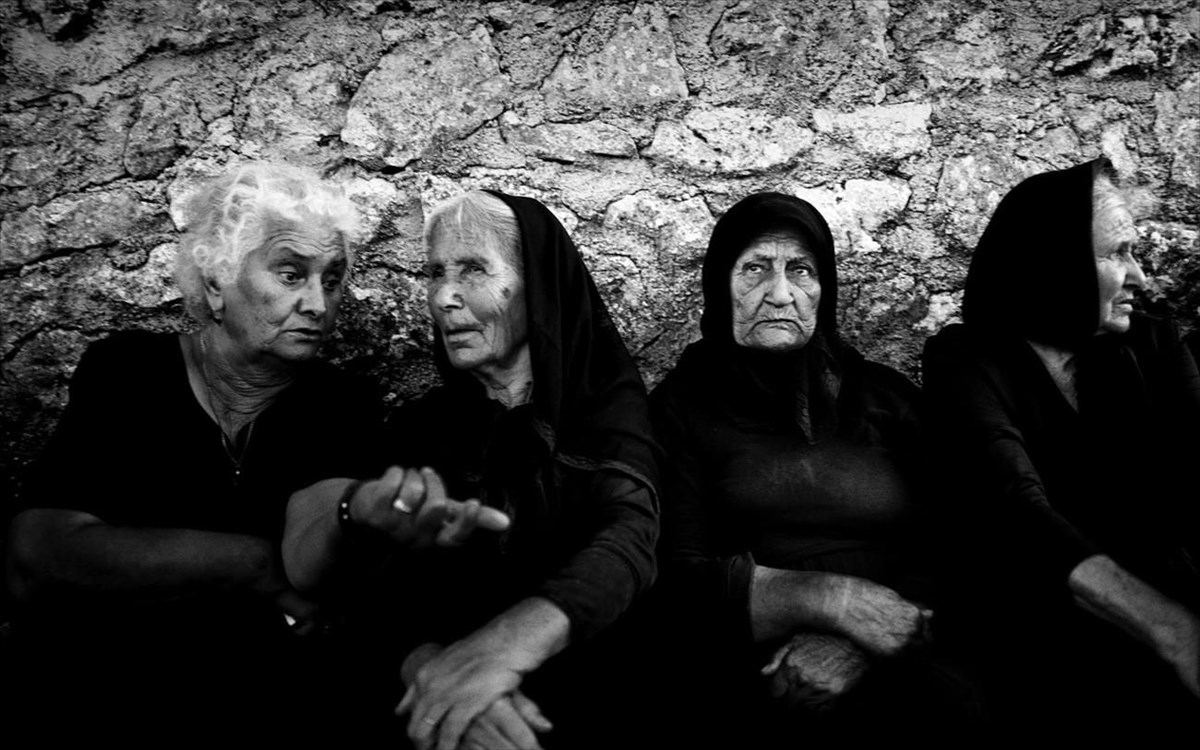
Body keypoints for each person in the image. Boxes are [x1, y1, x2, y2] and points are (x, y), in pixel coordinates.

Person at [4, 163, 388, 741]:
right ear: (215, 282)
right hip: (100, 694)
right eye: (290, 274)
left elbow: (328, 579)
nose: (317, 303)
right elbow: (39, 556)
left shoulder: (341, 405)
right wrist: (257, 567)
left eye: (331, 281)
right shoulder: (128, 374)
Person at [283, 190, 660, 750]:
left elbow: (628, 541)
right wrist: (435, 672)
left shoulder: (606, 415)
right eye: (435, 273)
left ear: (537, 288)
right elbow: (367, 592)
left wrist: (499, 652)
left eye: (473, 270)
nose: (444, 297)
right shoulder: (420, 428)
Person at [648, 192, 982, 747]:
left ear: (824, 288)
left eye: (800, 270)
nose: (780, 294)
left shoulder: (884, 398)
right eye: (755, 269)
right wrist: (829, 600)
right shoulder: (678, 411)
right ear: (719, 285)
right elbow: (675, 576)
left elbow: (964, 538)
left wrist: (863, 639)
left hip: (908, 644)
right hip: (758, 662)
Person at [922, 158, 1200, 738]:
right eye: (1117, 254)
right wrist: (1174, 631)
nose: (1139, 277)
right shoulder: (967, 362)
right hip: (1049, 633)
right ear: (1055, 261)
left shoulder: (1153, 345)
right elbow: (1017, 511)